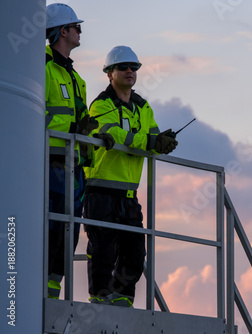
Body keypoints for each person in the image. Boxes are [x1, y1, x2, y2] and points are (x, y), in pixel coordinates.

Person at [83, 46, 177, 307]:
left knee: (135, 250)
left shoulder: (143, 107)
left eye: (133, 67)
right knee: (102, 247)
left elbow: (154, 137)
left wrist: (164, 141)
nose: (129, 71)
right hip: (100, 189)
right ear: (109, 73)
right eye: (123, 67)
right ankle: (99, 298)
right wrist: (152, 141)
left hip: (128, 194)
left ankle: (122, 298)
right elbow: (120, 135)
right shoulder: (101, 104)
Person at [45, 3, 104, 300]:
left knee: (69, 233)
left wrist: (93, 132)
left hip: (73, 167)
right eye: (76, 27)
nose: (80, 31)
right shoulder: (41, 68)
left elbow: (79, 120)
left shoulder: (75, 78)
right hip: (50, 162)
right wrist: (72, 129)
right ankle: (41, 292)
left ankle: (52, 292)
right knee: (52, 229)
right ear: (63, 31)